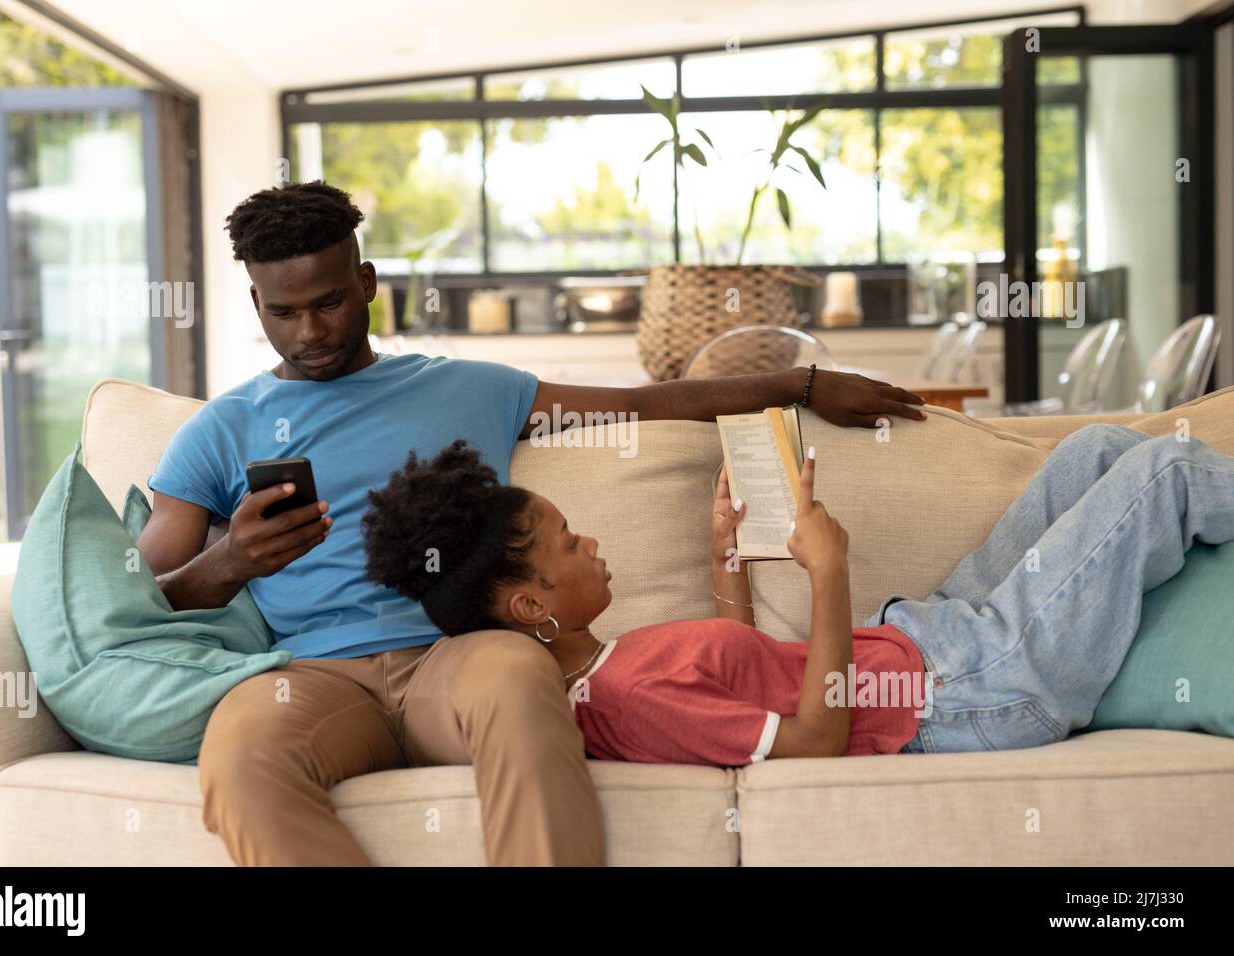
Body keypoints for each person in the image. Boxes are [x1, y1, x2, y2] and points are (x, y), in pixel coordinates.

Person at [134, 179, 928, 865]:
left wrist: (802, 381)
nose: (309, 332)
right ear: (255, 305)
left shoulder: (468, 388)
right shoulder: (221, 429)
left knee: (520, 678)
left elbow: (642, 404)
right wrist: (230, 561)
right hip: (311, 678)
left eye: (330, 301)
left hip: (456, 657)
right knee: (239, 757)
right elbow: (136, 600)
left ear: (368, 281)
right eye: (284, 311)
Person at [362, 425, 1234, 764]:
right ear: (529, 607)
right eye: (567, 543)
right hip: (968, 693)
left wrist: (724, 567)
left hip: (929, 637)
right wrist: (827, 571)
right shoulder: (626, 699)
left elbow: (745, 670)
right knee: (1163, 473)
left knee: (1091, 452)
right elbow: (815, 739)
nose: (591, 542)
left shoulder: (606, 667)